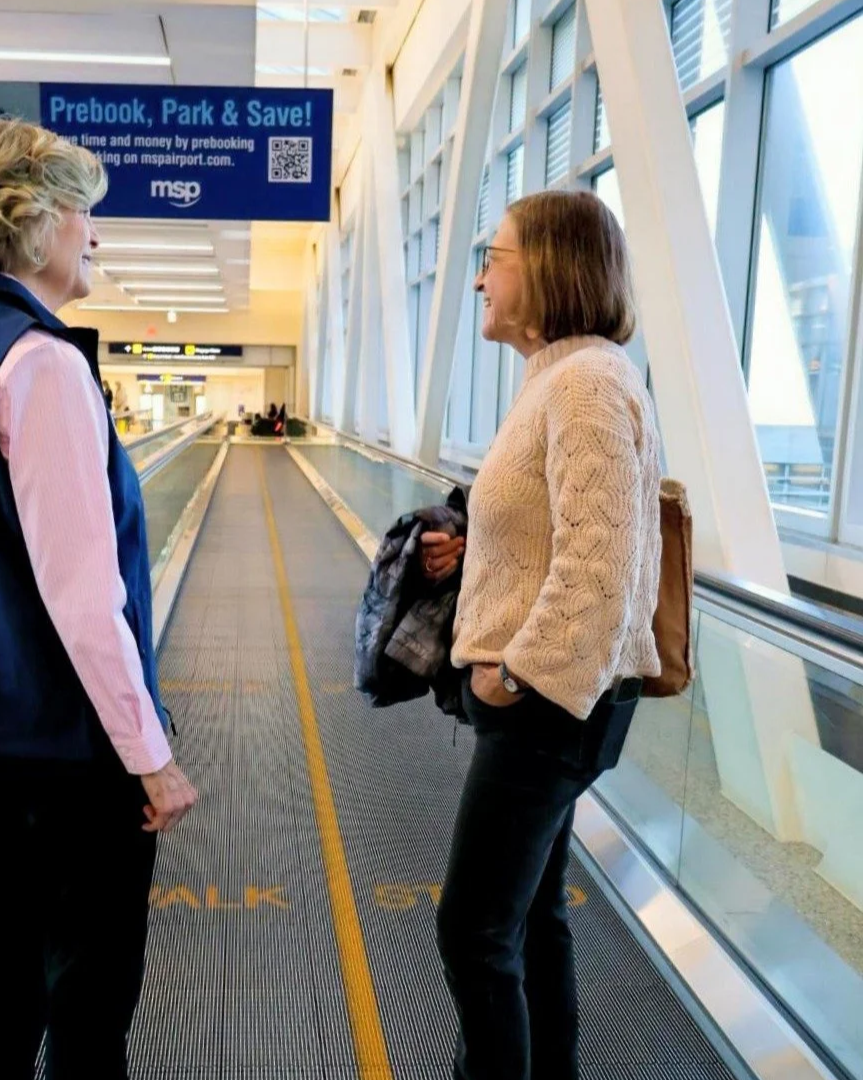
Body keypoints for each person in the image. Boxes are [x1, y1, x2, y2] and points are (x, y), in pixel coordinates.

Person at [0, 117, 197, 1080]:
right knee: (89, 1007)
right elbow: (82, 597)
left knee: (9, 967)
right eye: (82, 213)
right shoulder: (43, 362)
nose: (94, 236)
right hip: (71, 762)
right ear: (32, 219)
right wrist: (150, 759)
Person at [424, 190, 663, 1080]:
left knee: (472, 931)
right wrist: (473, 550)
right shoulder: (561, 377)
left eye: (498, 256)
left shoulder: (588, 382)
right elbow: (554, 529)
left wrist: (512, 678)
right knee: (530, 919)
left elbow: (599, 565)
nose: (481, 276)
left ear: (554, 269)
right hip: (552, 702)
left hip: (547, 706)